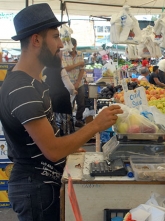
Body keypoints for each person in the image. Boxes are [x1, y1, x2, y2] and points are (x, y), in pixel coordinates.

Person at [0, 4, 123, 221]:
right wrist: (95, 125)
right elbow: (52, 151)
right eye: (56, 37)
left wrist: (73, 147)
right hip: (35, 189)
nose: (60, 45)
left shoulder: (32, 80)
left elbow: (45, 138)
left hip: (43, 184)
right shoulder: (22, 89)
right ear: (36, 40)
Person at [43, 52, 77, 136]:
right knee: (65, 121)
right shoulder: (61, 70)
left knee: (53, 120)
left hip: (50, 99)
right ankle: (66, 140)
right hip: (62, 100)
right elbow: (69, 86)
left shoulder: (44, 70)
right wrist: (73, 91)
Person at [62, 38, 86, 128]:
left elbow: (82, 69)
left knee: (81, 103)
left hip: (79, 83)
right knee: (69, 104)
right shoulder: (64, 54)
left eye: (72, 46)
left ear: (75, 45)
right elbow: (65, 68)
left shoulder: (80, 54)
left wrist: (77, 82)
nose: (71, 49)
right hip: (67, 84)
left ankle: (78, 120)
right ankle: (69, 121)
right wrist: (78, 64)